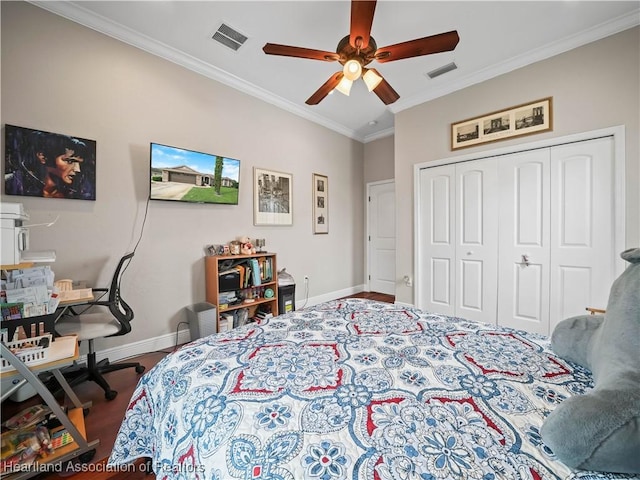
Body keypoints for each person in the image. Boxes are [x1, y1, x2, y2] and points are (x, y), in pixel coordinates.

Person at [4, 126, 96, 200]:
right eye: (69, 161)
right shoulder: (12, 183)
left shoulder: (81, 191)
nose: (77, 169)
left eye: (80, 163)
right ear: (43, 157)